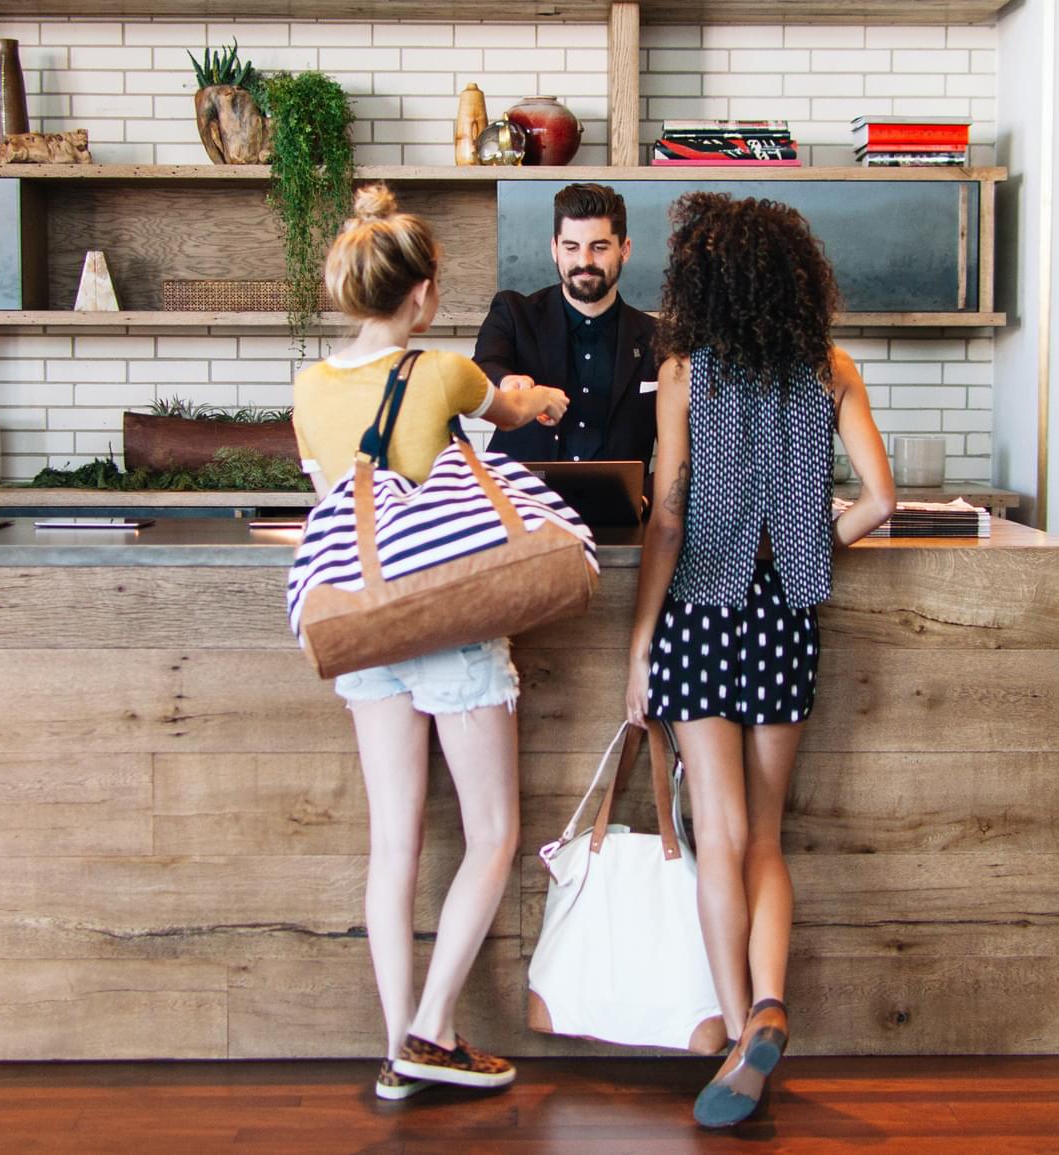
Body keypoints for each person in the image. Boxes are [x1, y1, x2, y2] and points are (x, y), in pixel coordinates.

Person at [291, 183, 570, 1102]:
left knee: (393, 846)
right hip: (448, 616)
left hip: (367, 625)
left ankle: (394, 1051)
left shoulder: (308, 387)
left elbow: (332, 489)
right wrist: (542, 398)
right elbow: (513, 405)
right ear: (420, 294)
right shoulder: (442, 370)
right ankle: (432, 1030)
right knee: (492, 832)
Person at [623, 193, 895, 1128]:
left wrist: (637, 647)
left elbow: (665, 514)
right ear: (792, 277)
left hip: (699, 614)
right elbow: (879, 501)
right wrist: (810, 546)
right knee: (770, 840)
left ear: (699, 283)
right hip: (785, 621)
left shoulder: (685, 372)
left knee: (719, 840)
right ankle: (770, 997)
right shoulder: (831, 367)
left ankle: (743, 1035)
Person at [473, 182, 660, 464]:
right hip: (521, 503)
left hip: (618, 507)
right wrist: (509, 382)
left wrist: (644, 500)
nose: (584, 261)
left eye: (599, 247)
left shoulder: (657, 338)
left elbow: (681, 448)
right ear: (554, 248)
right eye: (571, 247)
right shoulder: (513, 312)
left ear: (625, 249)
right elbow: (484, 367)